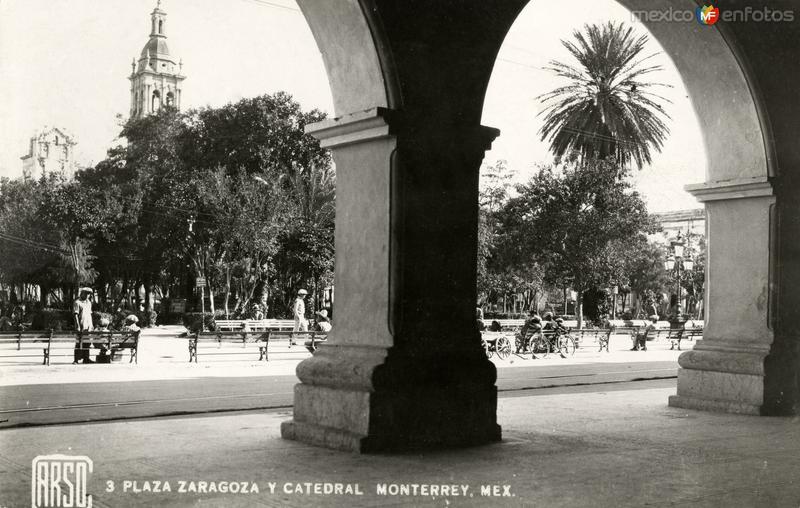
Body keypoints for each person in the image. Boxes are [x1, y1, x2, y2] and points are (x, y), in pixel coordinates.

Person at [72, 287, 95, 364]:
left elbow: (90, 314)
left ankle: (86, 358)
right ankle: (76, 360)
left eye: (89, 294)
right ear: (82, 293)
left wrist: (91, 325)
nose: (87, 295)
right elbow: (75, 315)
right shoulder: (77, 302)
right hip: (81, 326)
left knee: (87, 343)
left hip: (88, 326)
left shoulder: (89, 303)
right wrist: (77, 326)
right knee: (79, 343)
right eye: (86, 293)